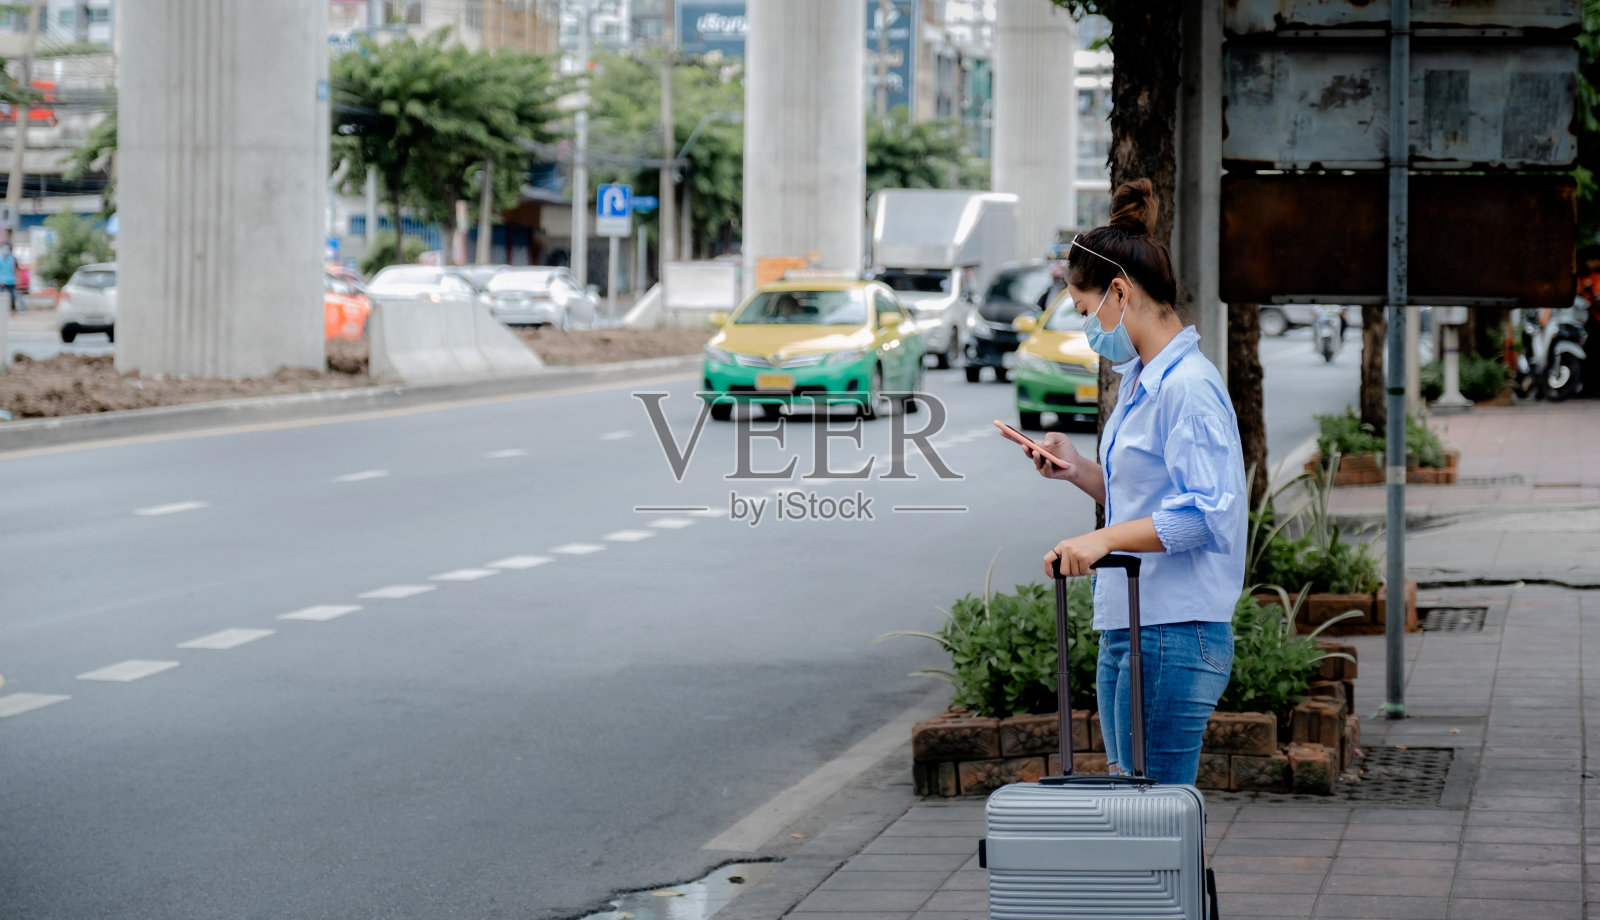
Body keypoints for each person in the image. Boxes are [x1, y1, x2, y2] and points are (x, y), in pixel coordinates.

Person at [1019, 178, 1246, 787]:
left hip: (1174, 629)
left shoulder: (1187, 388)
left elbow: (1204, 515)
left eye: (1085, 310)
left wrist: (1101, 541)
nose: (1087, 327)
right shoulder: (1143, 381)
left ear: (1119, 292)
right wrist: (1080, 473)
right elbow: (1146, 499)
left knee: (1158, 818)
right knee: (1136, 817)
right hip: (1130, 622)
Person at [0, 242, 17, 313]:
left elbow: (16, 269)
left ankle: (13, 311)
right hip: (2, 281)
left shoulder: (12, 258)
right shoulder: (0, 258)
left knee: (13, 298)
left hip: (11, 281)